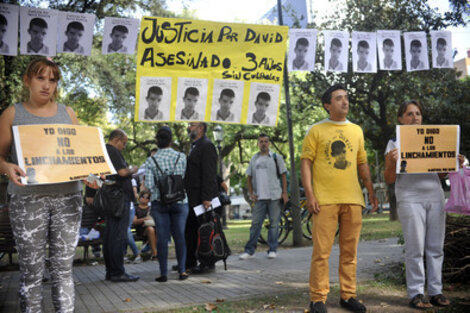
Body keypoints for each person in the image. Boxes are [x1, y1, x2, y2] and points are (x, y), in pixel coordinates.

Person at [0, 58, 82, 312]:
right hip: (27, 201)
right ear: (27, 80)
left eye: (52, 80)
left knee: (63, 272)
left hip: (68, 200)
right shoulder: (12, 113)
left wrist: (93, 174)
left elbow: (80, 155)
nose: (47, 85)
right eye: (40, 78)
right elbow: (0, 158)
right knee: (32, 274)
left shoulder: (67, 113)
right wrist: (6, 167)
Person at [300, 84, 378, 313]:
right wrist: (310, 194)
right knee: (321, 252)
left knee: (350, 252)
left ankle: (348, 294)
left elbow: (362, 162)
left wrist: (370, 190)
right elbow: (306, 163)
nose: (345, 102)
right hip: (324, 200)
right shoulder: (316, 130)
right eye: (339, 98)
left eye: (346, 97)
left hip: (353, 199)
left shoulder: (356, 130)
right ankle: (317, 299)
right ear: (328, 105)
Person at [384, 100, 464, 310]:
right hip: (409, 197)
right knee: (415, 247)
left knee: (436, 247)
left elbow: (441, 173)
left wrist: (453, 162)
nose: (415, 117)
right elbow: (389, 178)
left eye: (418, 113)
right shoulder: (394, 143)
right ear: (400, 119)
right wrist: (392, 162)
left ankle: (436, 291)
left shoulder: (436, 139)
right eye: (409, 114)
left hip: (434, 195)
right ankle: (416, 292)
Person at [145, 126, 189, 281]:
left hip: (160, 202)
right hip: (180, 201)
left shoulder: (151, 160)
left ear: (157, 141)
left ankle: (163, 273)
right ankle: (182, 271)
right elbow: (183, 177)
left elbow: (149, 185)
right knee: (180, 237)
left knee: (162, 238)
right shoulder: (181, 157)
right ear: (171, 140)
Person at [239, 134, 288, 260]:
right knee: (255, 224)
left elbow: (283, 175)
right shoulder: (254, 159)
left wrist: (285, 193)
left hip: (274, 196)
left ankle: (272, 249)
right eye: (261, 142)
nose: (263, 144)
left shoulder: (276, 158)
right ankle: (250, 251)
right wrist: (251, 193)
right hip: (259, 197)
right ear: (257, 144)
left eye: (266, 141)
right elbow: (249, 177)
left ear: (269, 144)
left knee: (274, 224)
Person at [103, 129, 140, 282]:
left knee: (110, 235)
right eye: (123, 143)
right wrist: (133, 169)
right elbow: (122, 172)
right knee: (119, 235)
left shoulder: (104, 150)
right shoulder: (113, 151)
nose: (124, 146)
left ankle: (111, 271)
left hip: (109, 198)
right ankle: (118, 272)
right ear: (117, 139)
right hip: (119, 198)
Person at [184, 122, 219, 274]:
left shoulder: (207, 145)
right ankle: (190, 261)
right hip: (192, 197)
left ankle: (207, 262)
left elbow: (209, 174)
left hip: (201, 199)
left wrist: (207, 198)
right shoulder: (195, 146)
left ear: (201, 128)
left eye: (192, 125)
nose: (189, 127)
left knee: (204, 231)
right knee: (191, 230)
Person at [132, 190, 157, 261]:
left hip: (153, 227)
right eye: (143, 197)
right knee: (150, 229)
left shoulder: (151, 208)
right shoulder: (136, 208)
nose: (145, 199)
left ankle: (153, 252)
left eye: (147, 197)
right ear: (139, 197)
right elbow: (135, 222)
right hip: (141, 229)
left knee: (158, 230)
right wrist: (144, 219)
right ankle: (155, 254)